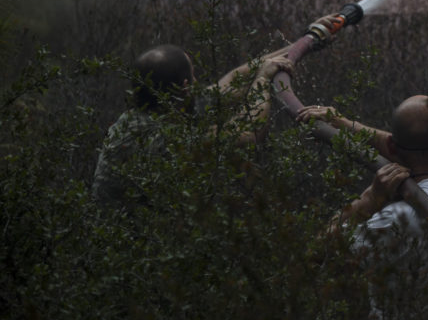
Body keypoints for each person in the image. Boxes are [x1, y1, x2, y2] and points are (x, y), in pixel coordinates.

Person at [298, 64, 428, 320]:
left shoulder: (394, 221)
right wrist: (343, 123)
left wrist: (369, 200)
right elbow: (411, 145)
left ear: (393, 148)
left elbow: (316, 255)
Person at [92, 44, 291, 205]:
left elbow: (231, 83)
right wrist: (263, 79)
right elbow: (250, 133)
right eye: (193, 75)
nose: (198, 81)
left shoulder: (156, 108)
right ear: (186, 87)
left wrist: (306, 40)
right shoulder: (164, 140)